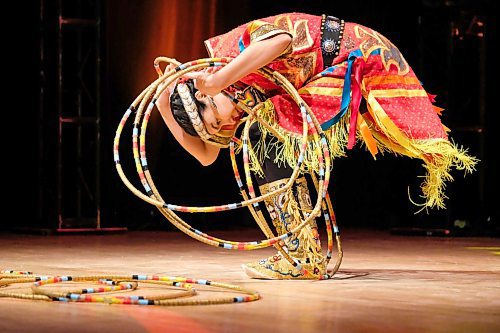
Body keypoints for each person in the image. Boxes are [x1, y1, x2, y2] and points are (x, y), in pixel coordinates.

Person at [155, 12, 477, 279]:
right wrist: (163, 107)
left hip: (353, 56)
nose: (225, 128)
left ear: (204, 93)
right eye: (216, 129)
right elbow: (209, 156)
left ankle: (301, 255)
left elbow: (281, 40)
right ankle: (302, 252)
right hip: (332, 72)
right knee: (262, 133)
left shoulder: (233, 50)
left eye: (215, 120)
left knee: (263, 135)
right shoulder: (237, 93)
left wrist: (219, 79)